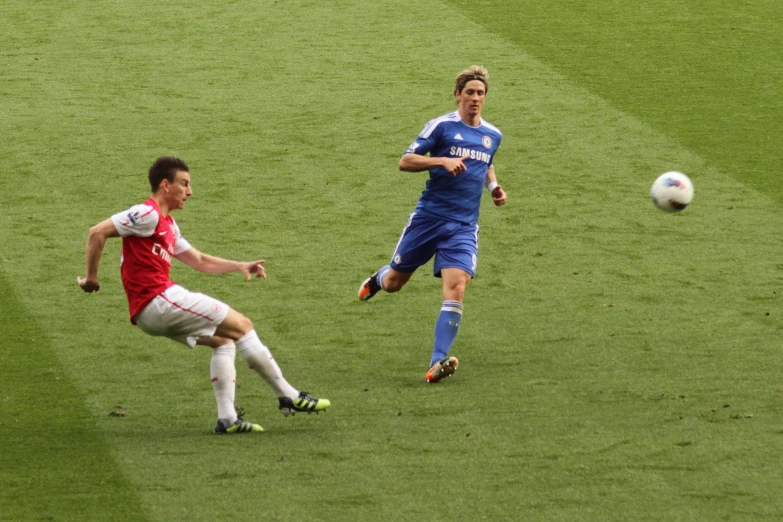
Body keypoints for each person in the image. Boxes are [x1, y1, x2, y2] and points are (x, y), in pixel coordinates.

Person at [78, 156, 330, 434]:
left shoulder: (168, 225)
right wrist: (91, 278)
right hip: (158, 301)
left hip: (148, 313)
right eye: (184, 184)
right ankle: (289, 395)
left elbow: (199, 260)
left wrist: (240, 266)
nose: (190, 191)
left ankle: (228, 419)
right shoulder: (147, 214)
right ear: (165, 185)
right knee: (243, 326)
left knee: (224, 341)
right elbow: (97, 232)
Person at [358, 65, 507, 383]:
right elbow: (405, 161)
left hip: (464, 227)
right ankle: (379, 278)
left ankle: (437, 362)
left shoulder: (492, 135)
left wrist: (494, 188)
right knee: (396, 283)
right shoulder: (440, 127)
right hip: (429, 219)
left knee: (457, 287)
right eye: (470, 92)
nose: (476, 98)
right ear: (458, 95)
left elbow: (487, 163)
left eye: (481, 93)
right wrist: (442, 160)